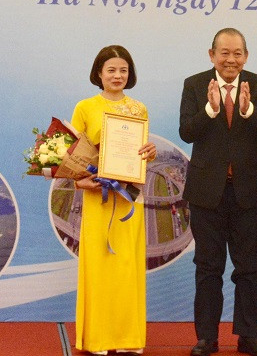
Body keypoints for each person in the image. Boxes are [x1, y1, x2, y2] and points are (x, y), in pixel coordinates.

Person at [179, 28, 257, 356]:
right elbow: (186, 132)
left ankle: (248, 336)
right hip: (207, 193)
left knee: (250, 267)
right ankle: (207, 338)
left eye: (237, 53)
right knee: (208, 268)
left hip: (247, 192)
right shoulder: (195, 85)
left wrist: (249, 110)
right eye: (224, 53)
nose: (231, 60)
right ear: (212, 55)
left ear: (246, 56)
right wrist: (210, 109)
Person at [71, 45, 157, 355]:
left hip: (129, 199)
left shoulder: (139, 109)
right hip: (98, 198)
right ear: (99, 73)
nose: (117, 76)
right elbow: (72, 155)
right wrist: (80, 181)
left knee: (126, 267)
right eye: (111, 70)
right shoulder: (85, 108)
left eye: (123, 70)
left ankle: (128, 338)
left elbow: (140, 154)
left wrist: (149, 153)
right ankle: (98, 339)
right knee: (99, 268)